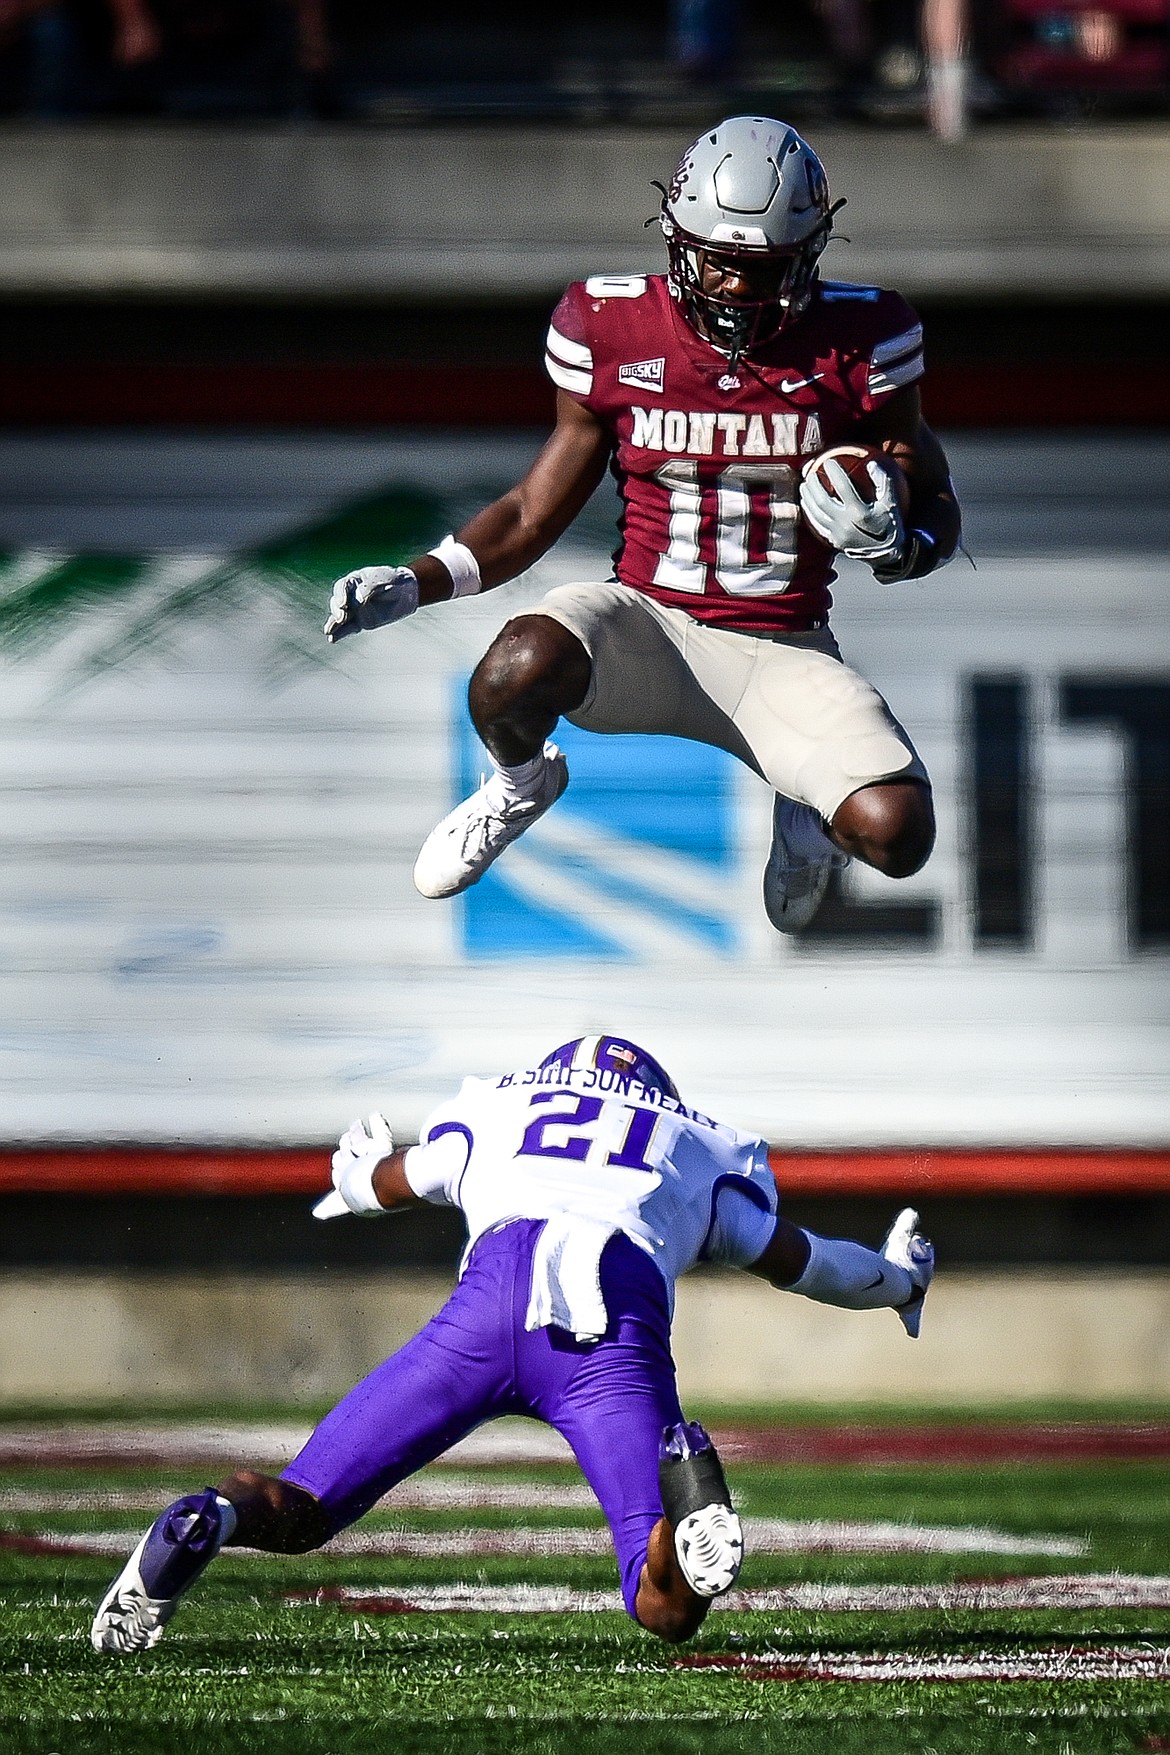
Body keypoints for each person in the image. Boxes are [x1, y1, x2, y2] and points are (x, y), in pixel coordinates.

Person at [91, 1033, 934, 1655]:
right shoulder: (693, 1146)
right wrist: (900, 1280)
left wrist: (355, 1177)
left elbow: (388, 1180)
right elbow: (813, 1264)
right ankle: (682, 1519)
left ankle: (217, 1513)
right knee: (665, 1609)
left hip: (485, 1307)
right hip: (610, 1321)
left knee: (305, 1506)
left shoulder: (501, 1109)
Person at [323, 116, 961, 934]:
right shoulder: (611, 325)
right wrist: (416, 581)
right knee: (515, 668)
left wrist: (901, 542)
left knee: (898, 832)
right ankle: (520, 785)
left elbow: (935, 498)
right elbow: (529, 510)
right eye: (718, 262)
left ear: (809, 256)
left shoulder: (861, 338)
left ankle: (808, 818)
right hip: (647, 624)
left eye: (758, 268)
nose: (734, 288)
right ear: (675, 238)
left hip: (785, 647)